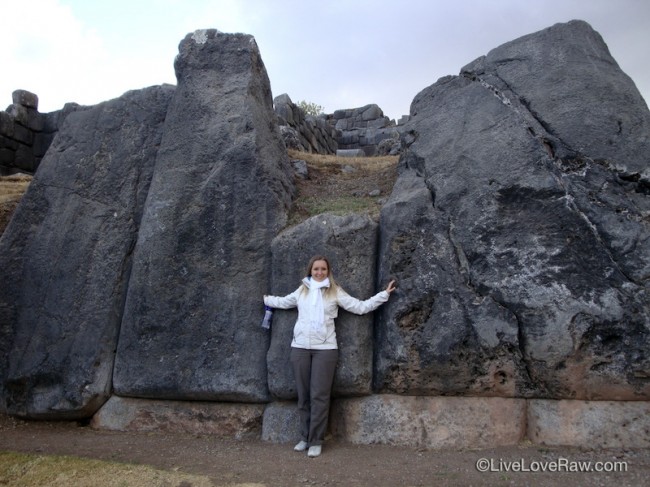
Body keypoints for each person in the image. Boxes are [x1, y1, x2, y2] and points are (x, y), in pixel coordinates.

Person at [263, 255, 396, 458]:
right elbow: (282, 302)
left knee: (319, 396)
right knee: (303, 396)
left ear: (328, 271)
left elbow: (360, 307)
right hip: (299, 348)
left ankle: (316, 440)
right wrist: (264, 299)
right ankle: (304, 438)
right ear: (310, 271)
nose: (319, 272)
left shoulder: (335, 292)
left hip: (325, 350)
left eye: (323, 269)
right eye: (316, 269)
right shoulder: (302, 291)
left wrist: (383, 295)